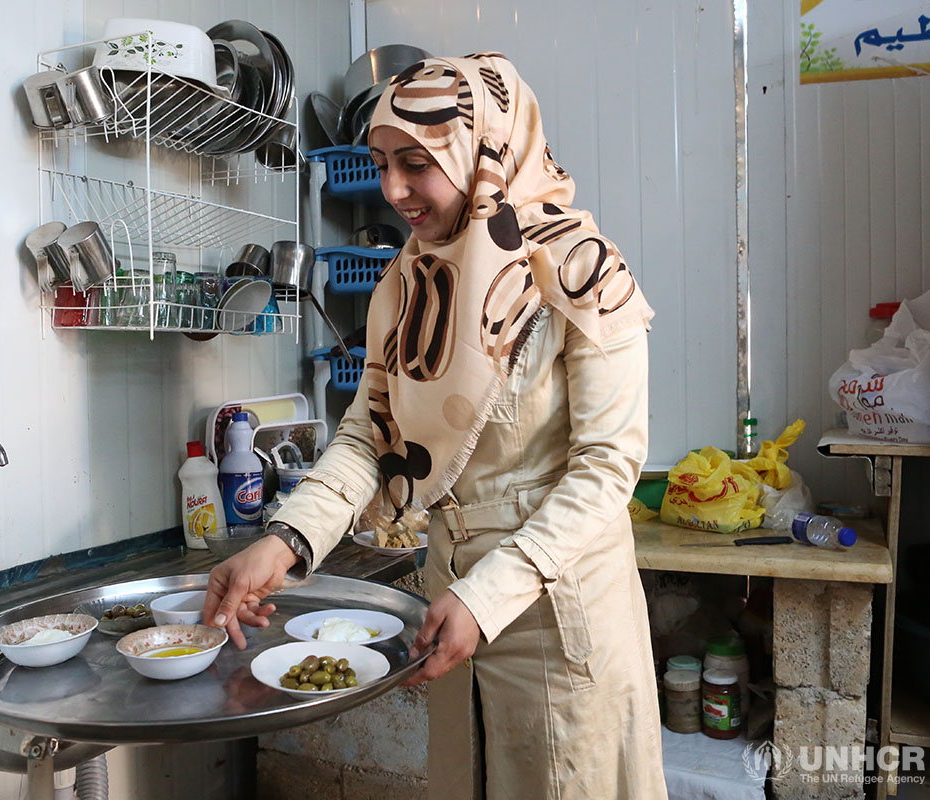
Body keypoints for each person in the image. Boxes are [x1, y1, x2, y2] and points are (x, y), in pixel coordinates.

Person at [204, 53, 667, 800]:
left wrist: (487, 598)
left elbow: (606, 472)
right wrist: (284, 540)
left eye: (416, 164)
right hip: (448, 603)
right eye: (381, 163)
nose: (392, 190)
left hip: (555, 617)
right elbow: (366, 439)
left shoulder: (581, 274)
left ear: (484, 152)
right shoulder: (408, 284)